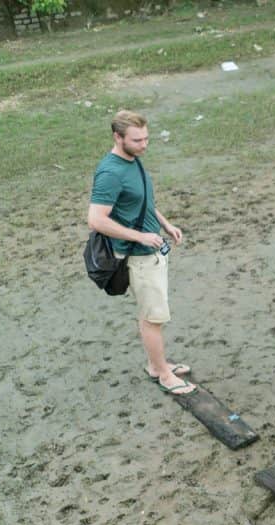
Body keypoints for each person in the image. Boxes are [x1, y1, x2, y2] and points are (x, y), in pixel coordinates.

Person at [87, 110, 194, 396]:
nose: (144, 145)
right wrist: (141, 236)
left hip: (150, 249)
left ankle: (155, 364)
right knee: (153, 318)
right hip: (139, 256)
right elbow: (96, 220)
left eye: (146, 138)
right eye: (137, 140)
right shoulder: (110, 173)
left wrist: (164, 224)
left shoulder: (132, 160)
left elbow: (139, 202)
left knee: (151, 314)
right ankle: (164, 375)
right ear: (117, 137)